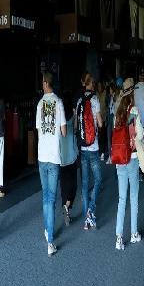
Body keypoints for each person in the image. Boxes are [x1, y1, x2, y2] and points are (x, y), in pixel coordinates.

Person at [36, 72, 66, 257]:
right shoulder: (59, 103)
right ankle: (50, 242)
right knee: (52, 198)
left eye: (42, 82)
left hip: (42, 155)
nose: (42, 85)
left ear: (46, 83)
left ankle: (48, 229)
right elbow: (63, 132)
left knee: (45, 196)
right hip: (54, 156)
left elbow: (39, 130)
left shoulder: (40, 104)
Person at [113, 77, 144, 250]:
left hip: (120, 159)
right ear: (132, 94)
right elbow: (140, 134)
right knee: (133, 197)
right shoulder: (134, 111)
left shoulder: (118, 111)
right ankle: (133, 233)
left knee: (121, 198)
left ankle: (119, 237)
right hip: (132, 157)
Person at [76, 74, 103, 230]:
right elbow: (100, 123)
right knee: (98, 179)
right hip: (93, 147)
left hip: (83, 147)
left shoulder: (79, 100)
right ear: (91, 84)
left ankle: (86, 220)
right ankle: (91, 209)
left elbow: (76, 126)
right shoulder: (95, 100)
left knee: (85, 183)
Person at [59, 90, 78, 226]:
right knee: (73, 184)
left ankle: (65, 205)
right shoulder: (72, 114)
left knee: (64, 184)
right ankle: (67, 205)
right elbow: (76, 129)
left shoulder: (59, 115)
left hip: (61, 156)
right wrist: (75, 115)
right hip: (72, 155)